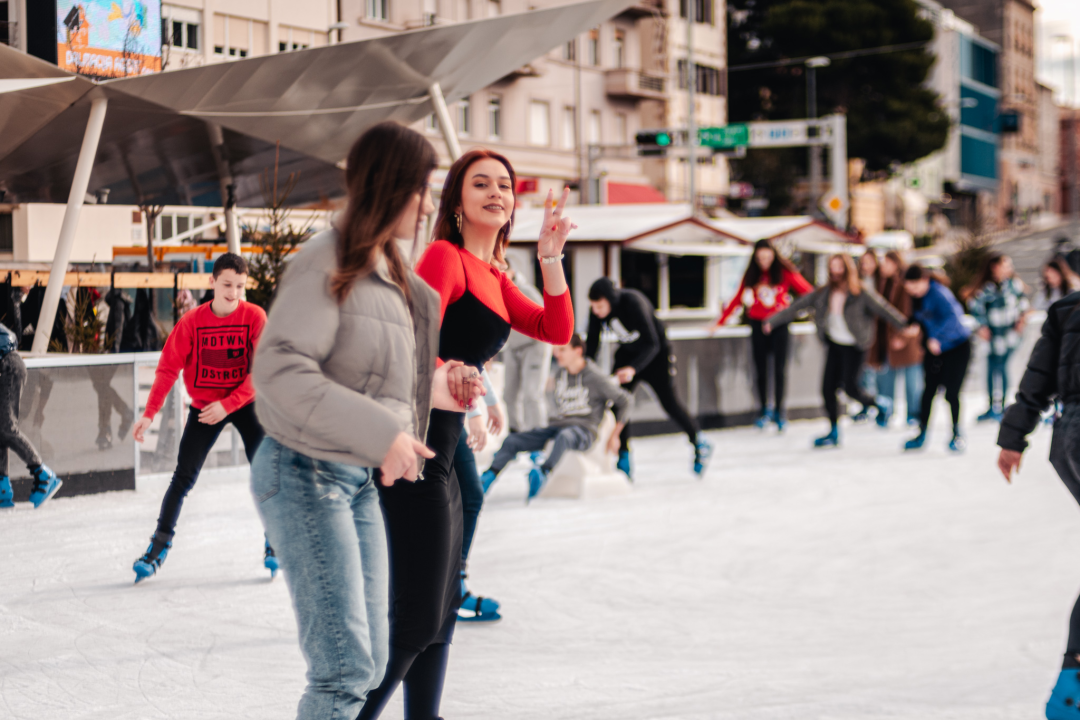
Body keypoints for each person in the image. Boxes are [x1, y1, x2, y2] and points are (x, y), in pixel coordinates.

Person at [251, 122, 473, 720]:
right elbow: (279, 368)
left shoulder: (397, 278)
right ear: (391, 185)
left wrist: (444, 393)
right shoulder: (328, 261)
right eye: (422, 188)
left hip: (354, 482)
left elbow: (374, 379)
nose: (429, 205)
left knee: (372, 661)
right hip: (302, 473)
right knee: (345, 671)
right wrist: (385, 435)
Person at [358, 149, 575, 720]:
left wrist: (550, 257)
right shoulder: (443, 257)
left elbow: (555, 327)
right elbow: (406, 342)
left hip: (451, 458)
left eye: (504, 184)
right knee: (418, 614)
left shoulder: (496, 276)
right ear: (457, 201)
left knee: (443, 607)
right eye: (481, 184)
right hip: (414, 450)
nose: (496, 192)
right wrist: (442, 370)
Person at [130, 253, 273, 583]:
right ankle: (158, 547)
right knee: (183, 477)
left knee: (267, 473)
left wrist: (230, 404)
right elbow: (168, 369)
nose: (233, 292)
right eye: (227, 284)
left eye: (239, 286)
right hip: (205, 407)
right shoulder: (192, 322)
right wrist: (149, 414)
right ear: (212, 282)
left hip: (246, 404)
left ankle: (275, 539)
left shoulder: (254, 317)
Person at [996, 289, 1080, 719]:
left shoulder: (1067, 308)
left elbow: (1037, 379)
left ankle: (1072, 685)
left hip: (1069, 437)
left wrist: (1014, 437)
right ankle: (1072, 687)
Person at [765, 254, 907, 448]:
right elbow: (798, 306)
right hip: (834, 344)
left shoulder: (860, 292)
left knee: (850, 387)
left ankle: (880, 404)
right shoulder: (824, 292)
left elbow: (883, 309)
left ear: (848, 270)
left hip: (855, 345)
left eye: (840, 267)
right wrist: (773, 322)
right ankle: (833, 431)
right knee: (827, 389)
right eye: (833, 267)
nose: (836, 271)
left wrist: (905, 326)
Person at [586, 278, 712, 478]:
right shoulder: (596, 313)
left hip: (656, 356)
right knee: (619, 404)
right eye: (593, 306)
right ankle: (624, 454)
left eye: (600, 306)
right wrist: (585, 370)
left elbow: (652, 342)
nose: (596, 311)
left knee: (669, 402)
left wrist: (633, 369)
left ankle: (697, 439)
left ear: (610, 301)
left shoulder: (634, 302)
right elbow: (592, 343)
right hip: (627, 355)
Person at [481, 332, 632, 498]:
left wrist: (615, 436)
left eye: (562, 350)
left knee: (565, 436)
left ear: (577, 351)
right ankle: (488, 477)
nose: (556, 354)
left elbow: (625, 401)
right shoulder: (561, 373)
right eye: (556, 350)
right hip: (559, 426)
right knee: (513, 440)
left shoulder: (595, 377)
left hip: (584, 431)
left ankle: (543, 473)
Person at [714, 238, 813, 430]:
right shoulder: (752, 275)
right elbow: (736, 299)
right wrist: (719, 323)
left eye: (767, 257)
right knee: (760, 369)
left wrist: (790, 311)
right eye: (760, 258)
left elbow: (807, 292)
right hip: (757, 324)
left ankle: (779, 411)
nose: (764, 262)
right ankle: (763, 411)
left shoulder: (784, 272)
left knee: (779, 369)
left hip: (780, 325)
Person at [901, 265, 972, 452]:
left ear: (924, 281)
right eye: (909, 288)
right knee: (928, 392)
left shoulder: (940, 294)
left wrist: (937, 338)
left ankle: (957, 433)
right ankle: (922, 432)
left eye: (914, 287)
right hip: (934, 351)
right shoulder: (917, 297)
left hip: (956, 347)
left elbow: (953, 318)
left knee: (951, 393)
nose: (912, 292)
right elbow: (920, 318)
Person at [457, 369, 504, 623]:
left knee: (468, 496)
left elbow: (473, 357)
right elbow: (460, 352)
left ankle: (453, 585)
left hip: (446, 409)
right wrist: (474, 411)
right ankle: (449, 590)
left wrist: (491, 402)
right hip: (429, 407)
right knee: (464, 496)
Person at [0, 322, 62, 509]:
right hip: (6, 364)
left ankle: (43, 475)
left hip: (8, 365)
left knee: (6, 427)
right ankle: (2, 488)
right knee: (1, 429)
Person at [962, 253, 1030, 422]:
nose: (1009, 269)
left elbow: (1023, 304)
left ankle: (1005, 402)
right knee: (992, 369)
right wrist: (982, 327)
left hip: (1009, 335)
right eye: (1005, 265)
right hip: (992, 336)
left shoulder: (1014, 285)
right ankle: (992, 404)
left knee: (1003, 367)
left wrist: (1021, 320)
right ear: (995, 267)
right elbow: (976, 309)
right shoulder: (985, 288)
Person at [868, 250, 924, 427]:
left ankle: (913, 414)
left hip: (905, 341)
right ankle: (885, 411)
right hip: (885, 340)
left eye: (886, 262)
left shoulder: (904, 284)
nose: (882, 266)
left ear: (895, 263)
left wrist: (902, 336)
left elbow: (909, 313)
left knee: (912, 382)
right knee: (885, 379)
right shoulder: (882, 283)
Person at [501, 258, 551, 432]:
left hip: (534, 346)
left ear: (512, 272)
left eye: (503, 270)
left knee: (532, 393)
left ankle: (537, 437)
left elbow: (546, 319)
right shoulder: (496, 292)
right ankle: (515, 433)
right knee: (508, 394)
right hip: (512, 348)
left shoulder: (526, 291)